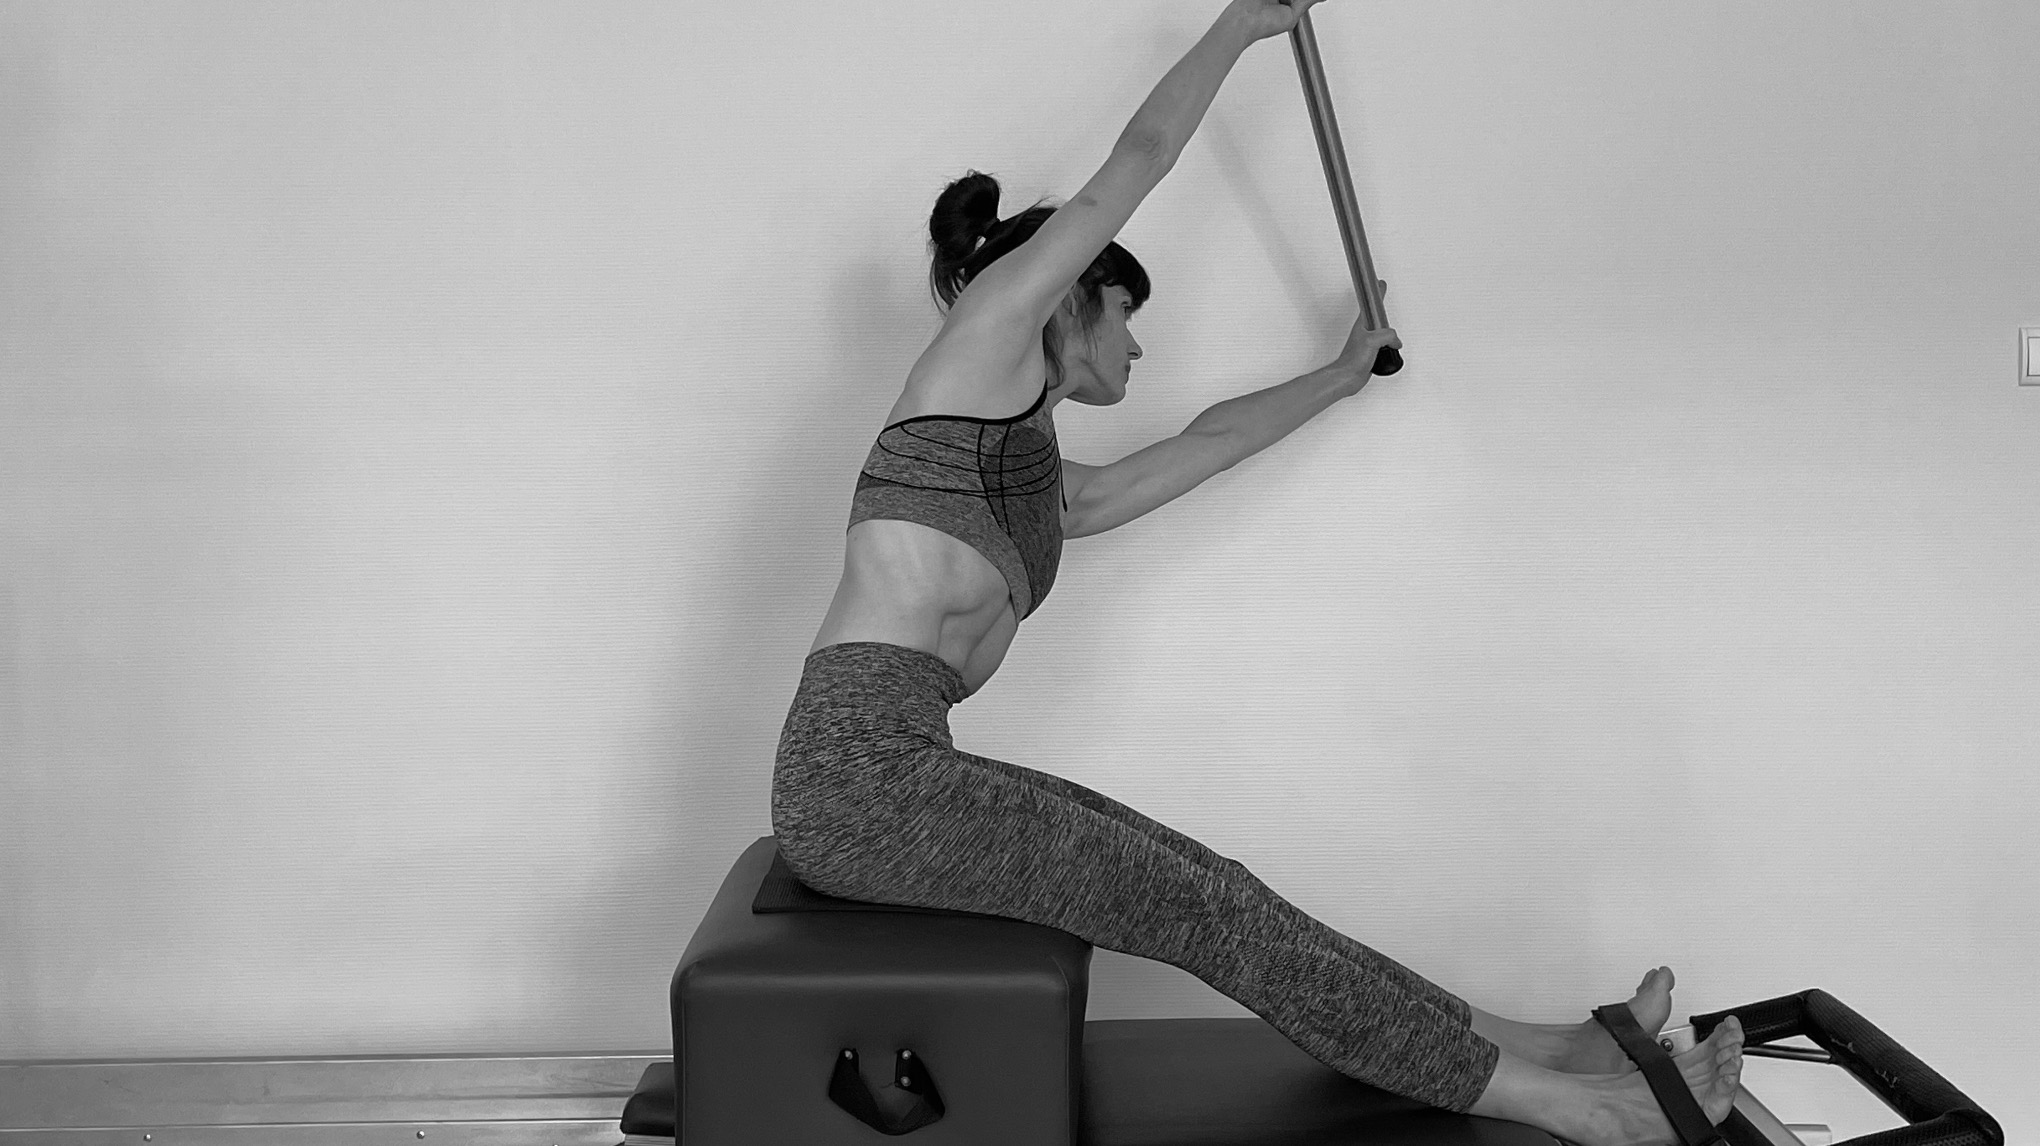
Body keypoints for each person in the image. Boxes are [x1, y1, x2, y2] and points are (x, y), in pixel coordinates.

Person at [770, 2, 1742, 1142]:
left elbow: (1210, 441)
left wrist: (1338, 375)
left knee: (1220, 892)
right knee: (1210, 914)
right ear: (1070, 296)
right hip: (860, 783)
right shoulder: (984, 341)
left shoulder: (1043, 490)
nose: (1138, 345)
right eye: (1126, 314)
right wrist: (1242, 23)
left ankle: (1548, 1048)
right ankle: (1587, 1114)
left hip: (898, 773)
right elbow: (1140, 159)